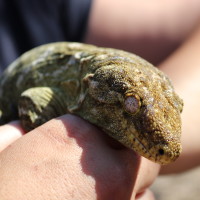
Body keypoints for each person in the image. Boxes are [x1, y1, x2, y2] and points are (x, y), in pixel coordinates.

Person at [1, 0, 200, 199]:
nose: (169, 150)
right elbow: (32, 100)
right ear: (92, 88)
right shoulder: (71, 92)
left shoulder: (34, 9)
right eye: (132, 105)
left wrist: (140, 170)